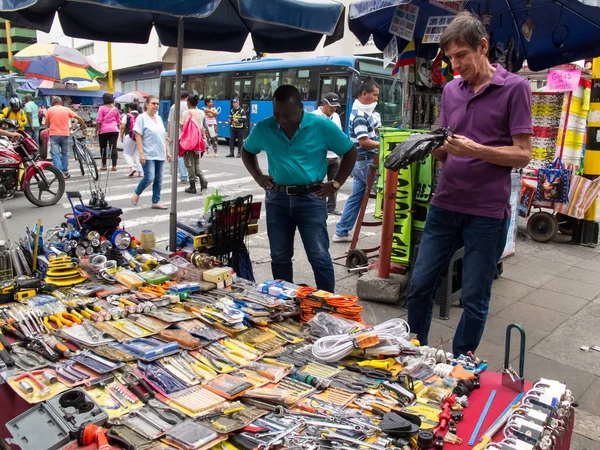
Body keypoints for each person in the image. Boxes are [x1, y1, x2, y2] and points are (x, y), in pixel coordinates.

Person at [406, 11, 532, 357]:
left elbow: (523, 154)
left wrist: (475, 149)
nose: (456, 65)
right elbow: (446, 149)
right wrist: (427, 148)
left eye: (461, 56)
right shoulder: (450, 91)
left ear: (483, 47)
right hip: (445, 204)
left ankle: (460, 363)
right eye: (450, 58)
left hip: (487, 212)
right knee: (418, 286)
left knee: (475, 298)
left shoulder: (515, 88)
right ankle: (413, 354)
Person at [242, 85, 358, 292]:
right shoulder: (265, 127)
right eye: (277, 113)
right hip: (277, 199)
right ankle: (284, 300)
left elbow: (350, 151)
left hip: (310, 199)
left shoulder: (321, 126)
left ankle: (328, 303)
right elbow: (247, 150)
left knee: (319, 255)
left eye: (288, 114)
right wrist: (258, 176)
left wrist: (336, 184)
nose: (282, 120)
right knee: (279, 257)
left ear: (301, 108)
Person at [333, 79, 380, 242]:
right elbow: (364, 142)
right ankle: (393, 234)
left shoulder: (367, 113)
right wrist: (384, 144)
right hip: (365, 162)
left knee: (355, 198)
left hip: (360, 163)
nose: (376, 99)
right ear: (364, 94)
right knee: (387, 194)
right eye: (374, 95)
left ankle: (341, 231)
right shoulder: (359, 115)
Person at [131, 95, 172, 209]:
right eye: (153, 103)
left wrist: (168, 152)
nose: (156, 106)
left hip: (160, 153)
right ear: (147, 104)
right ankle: (137, 192)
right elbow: (138, 136)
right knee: (149, 177)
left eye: (157, 104)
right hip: (148, 153)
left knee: (159, 179)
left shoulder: (158, 118)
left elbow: (162, 136)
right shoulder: (142, 118)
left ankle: (155, 201)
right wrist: (141, 153)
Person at [312, 92, 343, 216]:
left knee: (334, 183)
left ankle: (331, 207)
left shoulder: (336, 116)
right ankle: (319, 207)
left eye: (335, 106)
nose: (334, 109)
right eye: (331, 106)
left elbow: (339, 134)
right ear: (323, 104)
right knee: (319, 183)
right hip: (320, 157)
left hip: (334, 156)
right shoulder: (313, 116)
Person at [46, 96, 87, 178]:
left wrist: (49, 126)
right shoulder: (66, 109)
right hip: (65, 134)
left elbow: (47, 123)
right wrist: (84, 125)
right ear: (61, 103)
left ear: (53, 103)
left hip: (54, 134)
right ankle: (65, 172)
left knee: (55, 154)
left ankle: (59, 173)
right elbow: (78, 118)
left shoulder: (49, 110)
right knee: (64, 153)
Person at [180, 95, 208, 194]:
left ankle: (192, 186)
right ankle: (203, 180)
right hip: (198, 141)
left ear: (188, 103)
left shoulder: (186, 112)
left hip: (188, 141)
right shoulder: (201, 113)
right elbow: (201, 127)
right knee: (196, 162)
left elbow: (182, 127)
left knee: (189, 163)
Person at [167, 91, 189, 184]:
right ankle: (187, 175)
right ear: (187, 98)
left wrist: (169, 135)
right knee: (187, 155)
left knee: (179, 154)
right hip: (187, 134)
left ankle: (181, 175)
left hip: (176, 134)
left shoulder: (173, 106)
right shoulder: (189, 107)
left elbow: (169, 122)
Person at [96, 93, 121, 171]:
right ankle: (114, 166)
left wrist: (97, 130)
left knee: (103, 148)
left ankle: (104, 165)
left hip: (103, 130)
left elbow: (99, 120)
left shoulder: (101, 108)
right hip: (114, 130)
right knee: (113, 147)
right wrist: (117, 129)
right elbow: (118, 121)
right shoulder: (115, 109)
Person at [120, 103, 143, 177]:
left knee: (126, 153)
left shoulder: (127, 116)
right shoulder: (141, 116)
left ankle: (132, 167)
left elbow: (123, 127)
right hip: (139, 137)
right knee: (137, 154)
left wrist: (121, 136)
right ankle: (141, 171)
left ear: (129, 109)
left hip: (129, 136)